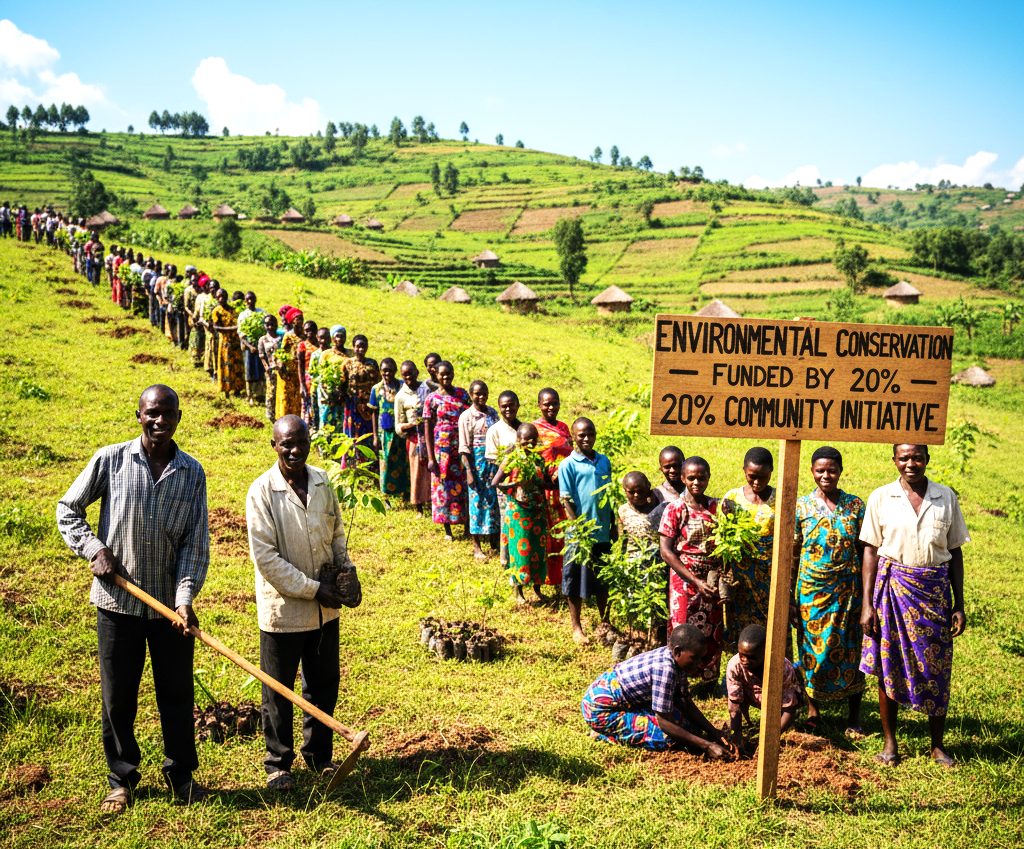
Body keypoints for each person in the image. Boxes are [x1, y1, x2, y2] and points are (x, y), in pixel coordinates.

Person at [55, 385, 211, 812]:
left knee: (177, 695)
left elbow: (195, 546)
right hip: (116, 605)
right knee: (118, 697)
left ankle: (181, 776)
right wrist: (95, 549)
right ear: (139, 416)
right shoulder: (111, 459)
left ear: (179, 418)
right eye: (152, 414)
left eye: (168, 414)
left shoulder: (191, 472)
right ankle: (121, 779)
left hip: (169, 611)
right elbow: (67, 508)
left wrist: (183, 599)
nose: (160, 421)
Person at [245, 415, 363, 790]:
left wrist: (347, 571)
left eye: (301, 442)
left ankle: (319, 756)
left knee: (324, 683)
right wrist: (314, 589)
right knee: (278, 688)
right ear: (274, 446)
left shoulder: (323, 481)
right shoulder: (261, 492)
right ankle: (278, 764)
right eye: (286, 444)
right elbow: (266, 560)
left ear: (309, 442)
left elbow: (337, 531)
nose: (295, 450)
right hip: (285, 611)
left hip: (325, 610)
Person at [860, 444, 969, 767]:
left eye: (917, 457)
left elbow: (955, 553)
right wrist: (867, 604)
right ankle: (890, 744)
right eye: (904, 458)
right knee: (887, 664)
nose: (911, 464)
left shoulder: (945, 496)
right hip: (892, 592)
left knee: (937, 667)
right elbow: (870, 551)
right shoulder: (881, 497)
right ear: (894, 461)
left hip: (934, 595)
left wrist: (959, 604)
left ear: (927, 460)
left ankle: (937, 744)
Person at [794, 446, 866, 735]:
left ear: (840, 471)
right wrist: (789, 593)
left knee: (852, 650)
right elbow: (793, 552)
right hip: (811, 593)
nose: (826, 475)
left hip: (849, 592)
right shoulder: (801, 506)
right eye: (820, 470)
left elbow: (865, 551)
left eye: (832, 470)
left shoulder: (856, 506)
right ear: (812, 471)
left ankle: (855, 717)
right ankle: (814, 712)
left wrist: (868, 593)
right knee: (811, 650)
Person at [581, 623, 732, 755]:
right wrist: (706, 746)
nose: (699, 663)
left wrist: (713, 732)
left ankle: (623, 724)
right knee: (668, 740)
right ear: (677, 652)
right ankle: (605, 732)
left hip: (626, 700)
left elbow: (686, 703)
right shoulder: (664, 669)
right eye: (695, 658)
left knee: (688, 726)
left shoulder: (676, 664)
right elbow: (665, 723)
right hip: (600, 709)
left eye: (701, 658)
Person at [659, 456, 724, 686]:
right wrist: (695, 581)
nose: (697, 482)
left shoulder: (718, 507)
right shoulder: (675, 508)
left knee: (712, 627)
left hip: (712, 578)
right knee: (682, 629)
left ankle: (708, 681)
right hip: (684, 580)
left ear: (708, 477)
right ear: (683, 478)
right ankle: (678, 681)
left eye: (702, 477)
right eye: (692, 478)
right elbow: (666, 552)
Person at [559, 417, 616, 645]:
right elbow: (567, 501)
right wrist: (579, 530)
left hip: (602, 532)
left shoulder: (604, 461)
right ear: (573, 436)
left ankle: (605, 622)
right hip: (579, 536)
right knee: (575, 580)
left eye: (590, 434)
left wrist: (612, 525)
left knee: (603, 580)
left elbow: (609, 495)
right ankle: (577, 628)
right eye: (581, 435)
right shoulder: (568, 464)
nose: (586, 438)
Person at [722, 447, 777, 655]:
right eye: (752, 476)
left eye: (762, 477)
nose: (757, 482)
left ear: (771, 472)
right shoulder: (732, 498)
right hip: (741, 579)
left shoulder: (779, 498)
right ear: (744, 470)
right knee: (741, 629)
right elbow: (724, 537)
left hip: (768, 577)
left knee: (769, 628)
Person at [493, 422, 552, 603]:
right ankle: (518, 591)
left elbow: (547, 484)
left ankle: (537, 588)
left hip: (537, 512)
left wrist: (543, 483)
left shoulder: (540, 460)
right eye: (525, 439)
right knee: (520, 552)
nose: (528, 442)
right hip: (518, 513)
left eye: (532, 439)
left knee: (538, 551)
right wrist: (516, 486)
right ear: (518, 440)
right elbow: (495, 482)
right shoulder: (512, 459)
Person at [726, 624, 801, 754]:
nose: (745, 660)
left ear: (766, 652)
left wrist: (769, 739)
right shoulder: (735, 665)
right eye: (742, 655)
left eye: (751, 657)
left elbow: (789, 708)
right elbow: (734, 704)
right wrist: (737, 735)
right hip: (749, 694)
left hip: (777, 698)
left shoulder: (782, 667)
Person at [424, 361, 470, 539]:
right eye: (442, 374)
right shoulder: (432, 399)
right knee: (443, 488)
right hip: (441, 450)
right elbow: (427, 428)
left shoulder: (462, 394)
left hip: (461, 449)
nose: (446, 377)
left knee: (464, 485)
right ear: (436, 375)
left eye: (449, 374)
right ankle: (448, 529)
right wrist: (430, 457)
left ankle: (466, 526)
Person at [533, 388, 573, 588]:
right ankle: (545, 580)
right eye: (546, 403)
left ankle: (563, 581)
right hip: (546, 490)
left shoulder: (564, 427)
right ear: (539, 405)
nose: (551, 407)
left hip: (565, 491)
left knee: (565, 535)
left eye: (554, 403)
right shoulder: (534, 429)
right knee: (548, 536)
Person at [458, 380, 500, 560]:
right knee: (477, 504)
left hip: (493, 464)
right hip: (476, 466)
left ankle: (494, 541)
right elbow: (464, 447)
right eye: (477, 394)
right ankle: (476, 545)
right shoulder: (466, 417)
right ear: (471, 395)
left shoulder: (492, 413)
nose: (481, 396)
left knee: (493, 504)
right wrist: (469, 472)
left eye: (484, 393)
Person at [485, 391, 522, 567]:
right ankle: (506, 559)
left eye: (511, 404)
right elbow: (493, 461)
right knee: (506, 520)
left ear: (518, 405)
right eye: (504, 406)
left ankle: (522, 555)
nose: (508, 408)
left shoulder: (523, 429)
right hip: (505, 484)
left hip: (524, 483)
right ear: (499, 407)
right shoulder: (494, 431)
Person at [369, 357, 410, 501]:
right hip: (384, 432)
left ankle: (404, 492)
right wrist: (375, 436)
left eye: (391, 370)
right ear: (381, 371)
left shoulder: (402, 386)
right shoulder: (376, 389)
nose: (388, 373)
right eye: (385, 370)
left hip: (401, 430)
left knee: (403, 461)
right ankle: (386, 495)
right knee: (385, 462)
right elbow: (374, 412)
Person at [394, 361, 430, 514]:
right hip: (414, 437)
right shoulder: (401, 396)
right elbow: (398, 424)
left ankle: (432, 501)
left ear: (417, 372)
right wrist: (409, 425)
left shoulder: (427, 389)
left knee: (431, 470)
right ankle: (419, 507)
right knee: (416, 471)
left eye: (411, 373)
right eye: (405, 375)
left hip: (430, 435)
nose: (408, 377)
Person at [340, 335, 380, 459]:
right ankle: (351, 461)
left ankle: (369, 462)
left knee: (368, 432)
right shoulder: (347, 363)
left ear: (367, 347)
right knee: (352, 433)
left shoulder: (372, 363)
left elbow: (378, 383)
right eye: (358, 346)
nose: (361, 349)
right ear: (353, 347)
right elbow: (342, 383)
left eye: (363, 346)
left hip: (369, 404)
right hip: (352, 404)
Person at [210, 289, 245, 400]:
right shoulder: (217, 311)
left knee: (237, 365)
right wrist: (231, 329)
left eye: (224, 296)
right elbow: (216, 327)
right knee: (226, 366)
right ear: (216, 298)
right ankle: (226, 390)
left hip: (235, 342)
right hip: (225, 342)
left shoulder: (233, 309)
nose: (222, 298)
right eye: (219, 296)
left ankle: (237, 389)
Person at [316, 325, 350, 435]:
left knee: (341, 421)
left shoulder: (351, 354)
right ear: (332, 338)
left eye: (342, 336)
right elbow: (322, 375)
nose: (340, 339)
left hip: (345, 393)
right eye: (337, 336)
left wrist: (344, 391)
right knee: (326, 420)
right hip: (328, 394)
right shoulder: (326, 354)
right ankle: (325, 448)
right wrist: (330, 392)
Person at [237, 291, 267, 407]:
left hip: (260, 345)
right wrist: (250, 347)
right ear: (245, 301)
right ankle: (251, 396)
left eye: (252, 299)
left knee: (261, 371)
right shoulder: (243, 315)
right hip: (249, 347)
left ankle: (261, 394)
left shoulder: (262, 313)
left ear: (255, 299)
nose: (250, 301)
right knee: (249, 371)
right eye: (247, 299)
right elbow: (241, 334)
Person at [275, 308, 304, 419]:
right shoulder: (288, 336)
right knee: (287, 397)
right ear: (292, 321)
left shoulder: (305, 335)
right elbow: (282, 353)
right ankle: (285, 419)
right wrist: (281, 366)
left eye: (301, 318)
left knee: (297, 397)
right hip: (289, 371)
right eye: (297, 319)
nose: (300, 321)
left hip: (300, 370)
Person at [257, 314, 282, 423]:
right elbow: (261, 355)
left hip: (281, 370)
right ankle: (271, 417)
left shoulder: (281, 338)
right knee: (271, 394)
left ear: (276, 325)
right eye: (267, 325)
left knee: (281, 393)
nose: (270, 327)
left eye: (272, 324)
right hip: (270, 371)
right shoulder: (263, 340)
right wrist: (266, 367)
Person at [297, 320, 320, 431]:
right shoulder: (302, 346)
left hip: (319, 379)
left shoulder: (321, 345)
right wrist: (302, 385)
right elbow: (300, 367)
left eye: (311, 330)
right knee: (307, 406)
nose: (309, 332)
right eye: (306, 330)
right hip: (307, 379)